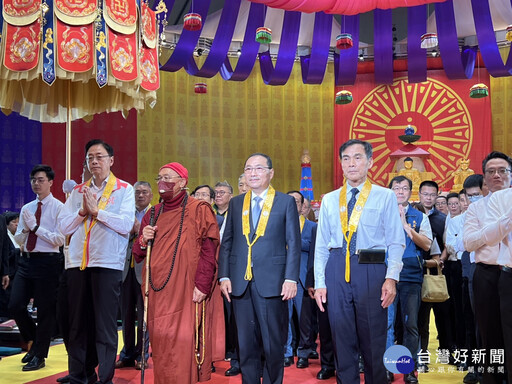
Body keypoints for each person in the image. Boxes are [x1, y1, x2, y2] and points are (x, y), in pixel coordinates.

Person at [314, 139, 404, 384]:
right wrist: (320, 282)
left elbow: (396, 241)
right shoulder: (331, 199)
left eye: (357, 157)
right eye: (346, 158)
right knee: (341, 337)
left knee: (373, 337)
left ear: (370, 162)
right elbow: (321, 245)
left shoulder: (384, 196)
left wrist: (391, 278)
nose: (351, 163)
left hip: (371, 268)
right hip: (336, 267)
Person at [133, 162, 222, 384]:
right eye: (159, 177)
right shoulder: (153, 213)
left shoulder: (199, 209)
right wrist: (144, 238)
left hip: (186, 290)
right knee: (162, 345)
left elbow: (209, 251)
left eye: (168, 177)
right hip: (157, 293)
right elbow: (138, 253)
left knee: (184, 344)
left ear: (182, 182)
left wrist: (202, 286)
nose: (163, 182)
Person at [219, 153, 301, 384]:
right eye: (248, 169)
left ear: (271, 173)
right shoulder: (236, 203)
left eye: (258, 168)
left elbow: (293, 244)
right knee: (245, 344)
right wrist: (224, 275)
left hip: (273, 282)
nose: (253, 173)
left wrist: (291, 278)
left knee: (273, 342)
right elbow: (227, 242)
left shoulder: (285, 202)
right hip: (239, 283)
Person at [58, 139, 135, 384]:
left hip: (108, 264)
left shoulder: (124, 189)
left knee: (105, 326)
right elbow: (63, 227)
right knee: (78, 325)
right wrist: (82, 211)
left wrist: (97, 212)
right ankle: (81, 374)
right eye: (90, 157)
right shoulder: (78, 191)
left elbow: (125, 225)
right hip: (78, 265)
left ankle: (105, 378)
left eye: (99, 157)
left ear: (111, 160)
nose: (94, 162)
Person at [10, 164, 65, 371]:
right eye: (33, 180)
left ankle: (39, 355)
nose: (36, 183)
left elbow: (59, 240)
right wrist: (24, 230)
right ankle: (35, 343)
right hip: (26, 261)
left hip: (48, 263)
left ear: (51, 182)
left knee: (45, 311)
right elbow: (19, 238)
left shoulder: (60, 207)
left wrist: (35, 228)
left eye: (41, 180)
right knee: (15, 305)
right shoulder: (27, 208)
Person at [464, 151, 512, 384]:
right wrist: (496, 231)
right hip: (486, 273)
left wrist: (486, 234)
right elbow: (469, 242)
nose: (497, 175)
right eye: (491, 171)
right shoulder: (476, 208)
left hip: (510, 275)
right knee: (488, 332)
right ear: (484, 177)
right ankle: (493, 379)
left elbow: (479, 238)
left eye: (502, 170)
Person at [387, 176, 433, 384]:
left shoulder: (420, 216)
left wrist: (407, 227)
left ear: (410, 192)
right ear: (390, 191)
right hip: (386, 276)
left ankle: (408, 368)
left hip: (411, 276)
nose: (400, 191)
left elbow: (426, 245)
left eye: (405, 188)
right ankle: (387, 367)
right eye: (396, 188)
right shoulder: (382, 213)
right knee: (386, 324)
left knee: (410, 324)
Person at [115, 181, 153, 370]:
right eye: (137, 192)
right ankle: (127, 353)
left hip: (144, 269)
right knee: (126, 314)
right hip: (124, 269)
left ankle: (142, 354)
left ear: (151, 195)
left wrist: (139, 231)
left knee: (144, 315)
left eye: (144, 192)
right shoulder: (125, 212)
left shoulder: (155, 214)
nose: (140, 195)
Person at [285, 191, 318, 369]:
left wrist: (312, 280)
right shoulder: (278, 224)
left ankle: (304, 352)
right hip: (283, 278)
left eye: (296, 201)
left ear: (301, 206)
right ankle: (287, 352)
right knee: (285, 318)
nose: (292, 204)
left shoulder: (312, 227)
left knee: (304, 320)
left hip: (303, 278)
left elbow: (315, 255)